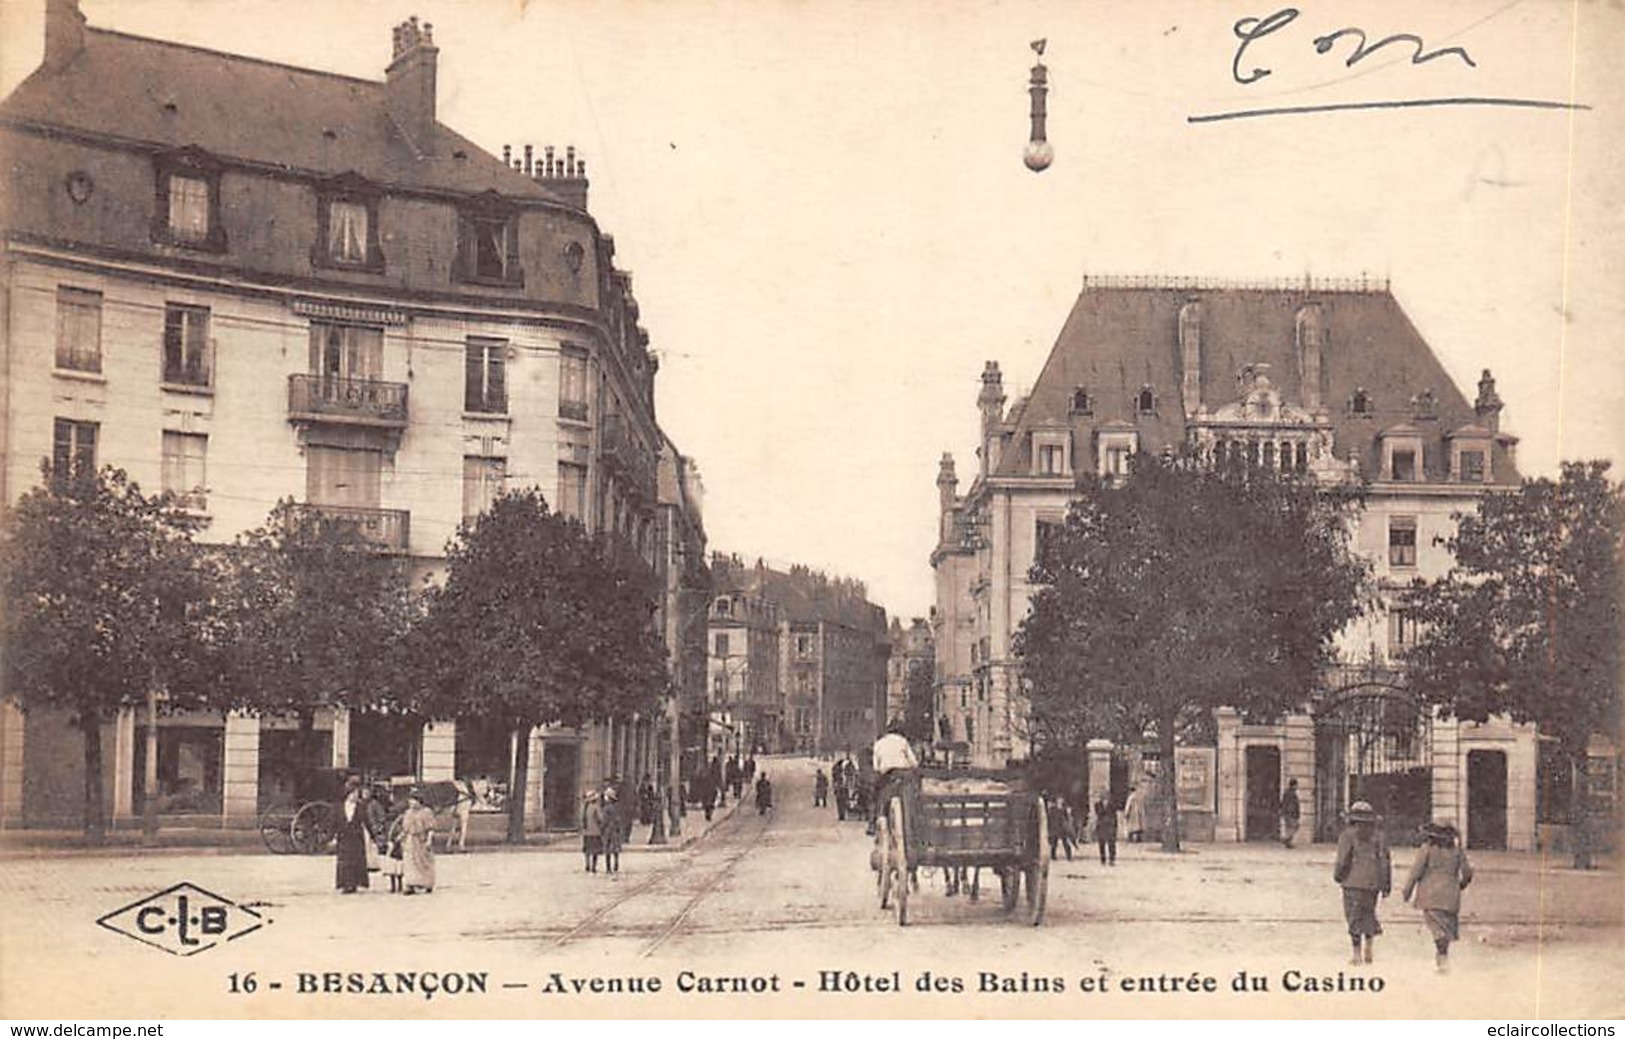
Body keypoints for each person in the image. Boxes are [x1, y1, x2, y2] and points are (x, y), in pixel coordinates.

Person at [1403, 820, 1474, 972]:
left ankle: (1442, 959)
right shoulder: (1457, 851)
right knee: (1446, 927)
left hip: (1430, 895)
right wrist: (1460, 885)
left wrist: (1407, 891)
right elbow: (1467, 873)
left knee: (1436, 927)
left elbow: (1415, 872)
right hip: (1450, 896)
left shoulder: (1426, 849)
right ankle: (1443, 957)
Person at [1333, 800, 1392, 965]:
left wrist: (1338, 876)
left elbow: (1342, 860)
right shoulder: (1380, 836)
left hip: (1352, 882)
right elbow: (1385, 862)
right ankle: (1369, 948)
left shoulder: (1347, 835)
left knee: (1353, 917)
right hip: (1372, 883)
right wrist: (1386, 884)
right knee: (1368, 913)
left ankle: (1357, 954)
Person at [869, 721, 920, 832]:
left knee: (876, 796)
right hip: (904, 774)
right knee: (916, 793)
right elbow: (914, 763)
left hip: (887, 775)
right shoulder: (903, 741)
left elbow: (876, 767)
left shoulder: (878, 743)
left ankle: (873, 822)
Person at [334, 775, 371, 894]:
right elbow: (334, 823)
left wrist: (374, 836)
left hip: (356, 837)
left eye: (357, 794)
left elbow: (366, 822)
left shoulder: (361, 807)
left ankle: (354, 883)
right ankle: (345, 884)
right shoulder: (339, 807)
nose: (355, 796)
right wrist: (332, 837)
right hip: (343, 836)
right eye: (353, 794)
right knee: (344, 861)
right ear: (348, 794)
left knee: (356, 860)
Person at [400, 789, 436, 895]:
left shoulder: (426, 812)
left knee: (423, 862)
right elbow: (405, 828)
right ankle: (410, 884)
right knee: (409, 862)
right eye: (410, 800)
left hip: (421, 840)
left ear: (419, 801)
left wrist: (429, 840)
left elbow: (431, 828)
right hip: (410, 840)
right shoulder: (408, 813)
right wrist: (401, 837)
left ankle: (426, 883)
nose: (411, 803)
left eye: (414, 800)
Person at [600, 788, 623, 875]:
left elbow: (604, 820)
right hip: (615, 829)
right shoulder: (617, 807)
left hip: (608, 830)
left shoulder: (606, 808)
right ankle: (616, 864)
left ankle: (608, 867)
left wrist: (602, 828)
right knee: (615, 848)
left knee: (607, 849)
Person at [1048, 796, 1076, 862]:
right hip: (1055, 828)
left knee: (1066, 843)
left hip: (1062, 828)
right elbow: (1050, 819)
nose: (1060, 802)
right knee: (1054, 844)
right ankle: (1053, 856)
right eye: (1059, 801)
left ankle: (1069, 857)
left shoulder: (1064, 810)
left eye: (1061, 801)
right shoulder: (1052, 809)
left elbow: (1067, 819)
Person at [581, 790, 604, 872]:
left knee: (587, 850)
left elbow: (581, 819)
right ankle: (593, 866)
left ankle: (587, 864)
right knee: (595, 851)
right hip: (595, 831)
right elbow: (600, 818)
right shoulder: (595, 807)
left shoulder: (584, 807)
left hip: (586, 831)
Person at [1093, 793, 1118, 865]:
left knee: (1111, 844)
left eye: (1106, 798)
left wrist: (1114, 826)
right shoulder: (1097, 805)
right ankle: (1103, 859)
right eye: (1103, 798)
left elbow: (1114, 816)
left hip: (1110, 826)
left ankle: (1112, 859)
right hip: (1101, 826)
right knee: (1101, 844)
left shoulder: (1112, 805)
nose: (1105, 800)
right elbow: (1098, 813)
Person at [1280, 778, 1302, 848]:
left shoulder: (1287, 793)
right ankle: (1286, 839)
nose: (1297, 787)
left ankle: (1288, 842)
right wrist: (1297, 813)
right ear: (1293, 785)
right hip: (1291, 813)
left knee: (1289, 828)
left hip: (1288, 813)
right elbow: (1294, 804)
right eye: (1296, 785)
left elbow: (1283, 803)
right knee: (1294, 826)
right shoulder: (1292, 794)